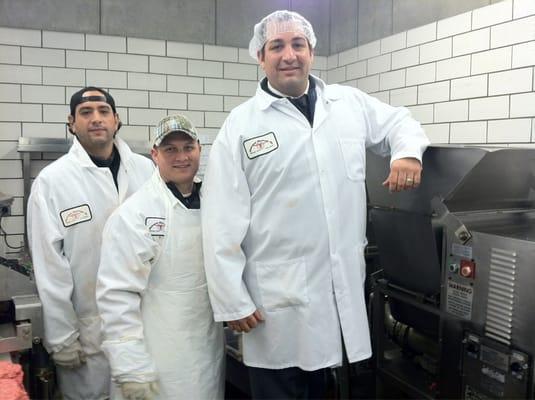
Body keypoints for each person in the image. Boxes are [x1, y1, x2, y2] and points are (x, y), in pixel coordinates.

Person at [201, 9, 430, 399]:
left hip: (336, 298)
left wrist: (406, 154)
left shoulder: (348, 104)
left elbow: (400, 122)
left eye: (297, 44)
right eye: (276, 46)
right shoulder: (241, 126)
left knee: (327, 387)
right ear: (261, 57)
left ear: (311, 51)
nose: (288, 54)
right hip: (274, 306)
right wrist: (231, 299)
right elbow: (220, 219)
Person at [26, 87, 154, 400]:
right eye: (85, 113)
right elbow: (49, 268)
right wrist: (62, 337)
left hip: (146, 324)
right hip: (86, 335)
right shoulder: (52, 182)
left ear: (117, 120)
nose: (95, 119)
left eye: (103, 111)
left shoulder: (146, 170)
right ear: (71, 123)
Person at [96, 115, 225, 400]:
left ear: (199, 150)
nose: (181, 157)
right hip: (156, 356)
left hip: (205, 349)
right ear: (154, 154)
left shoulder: (217, 203)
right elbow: (117, 295)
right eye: (170, 149)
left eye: (187, 147)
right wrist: (131, 366)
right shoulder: (135, 215)